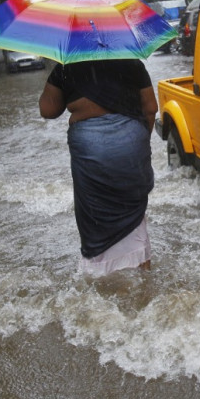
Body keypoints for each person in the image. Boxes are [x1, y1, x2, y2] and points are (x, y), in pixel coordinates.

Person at [39, 58, 158, 276]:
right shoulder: (131, 63)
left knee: (95, 213)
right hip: (131, 144)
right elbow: (151, 108)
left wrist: (56, 79)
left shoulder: (66, 67)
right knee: (133, 212)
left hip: (90, 149)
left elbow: (48, 110)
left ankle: (98, 276)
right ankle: (142, 272)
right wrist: (139, 143)